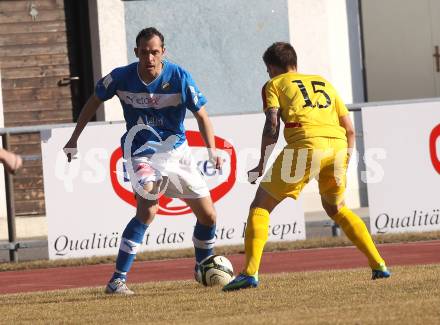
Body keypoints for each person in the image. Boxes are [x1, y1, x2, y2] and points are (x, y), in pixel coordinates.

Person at [64, 27, 222, 295]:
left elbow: (202, 116)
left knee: (208, 216)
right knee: (148, 208)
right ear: (136, 52)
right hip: (140, 152)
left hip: (177, 153)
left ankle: (202, 266)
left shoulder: (179, 77)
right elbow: (93, 102)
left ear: (163, 53)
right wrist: (73, 138)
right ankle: (117, 280)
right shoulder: (121, 77)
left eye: (155, 52)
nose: (150, 57)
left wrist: (212, 150)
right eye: (145, 52)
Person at [223, 42, 390, 291]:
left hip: (306, 144)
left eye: (267, 69)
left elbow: (272, 126)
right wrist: (344, 161)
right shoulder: (323, 82)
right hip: (338, 146)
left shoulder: (274, 84)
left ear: (270, 67)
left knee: (261, 206)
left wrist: (260, 163)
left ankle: (249, 273)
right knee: (336, 207)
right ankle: (379, 265)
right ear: (295, 62)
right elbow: (350, 128)